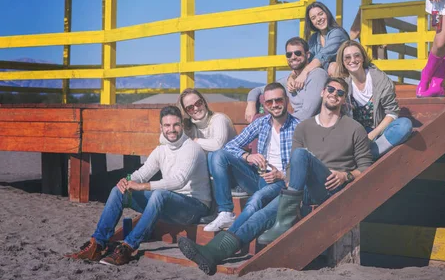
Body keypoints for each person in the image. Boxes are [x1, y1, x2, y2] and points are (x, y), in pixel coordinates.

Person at [177, 78, 372, 275]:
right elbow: (292, 168)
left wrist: (346, 175)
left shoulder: (352, 128)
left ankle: (283, 219)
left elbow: (366, 168)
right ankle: (213, 253)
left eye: (340, 92)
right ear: (322, 92)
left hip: (326, 187)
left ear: (344, 98)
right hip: (296, 189)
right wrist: (250, 157)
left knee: (264, 193)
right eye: (330, 89)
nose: (334, 94)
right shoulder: (306, 127)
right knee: (261, 214)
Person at [65, 106, 211, 266]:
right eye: (167, 126)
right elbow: (142, 173)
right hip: (168, 204)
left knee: (158, 194)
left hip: (194, 208)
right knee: (118, 191)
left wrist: (143, 186)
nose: (172, 129)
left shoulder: (192, 148)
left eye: (176, 125)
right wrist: (126, 180)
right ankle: (98, 244)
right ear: (161, 127)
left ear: (182, 126)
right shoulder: (161, 150)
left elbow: (179, 180)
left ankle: (128, 247)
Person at [202, 83, 299, 232]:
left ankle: (230, 237)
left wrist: (282, 175)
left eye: (278, 100)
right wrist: (247, 156)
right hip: (258, 176)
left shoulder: (298, 127)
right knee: (218, 156)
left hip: (281, 181)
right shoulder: (261, 123)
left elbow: (305, 164)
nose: (274, 105)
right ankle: (226, 212)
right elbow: (230, 146)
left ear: (286, 100)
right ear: (265, 105)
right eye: (269, 102)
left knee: (256, 200)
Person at [336, 40, 413, 158]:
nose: (352, 60)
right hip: (356, 137)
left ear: (363, 57)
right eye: (347, 57)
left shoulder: (380, 79)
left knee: (404, 125)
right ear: (342, 61)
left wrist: (372, 135)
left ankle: (369, 155)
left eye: (357, 55)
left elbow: (392, 112)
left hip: (380, 132)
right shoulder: (343, 84)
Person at [245, 37, 327, 123]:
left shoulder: (317, 75)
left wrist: (276, 123)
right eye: (289, 54)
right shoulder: (288, 81)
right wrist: (251, 105)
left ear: (307, 55)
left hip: (312, 126)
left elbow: (307, 114)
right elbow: (257, 90)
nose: (293, 57)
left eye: (298, 53)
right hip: (292, 124)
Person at [288, 2, 349, 95]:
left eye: (321, 14)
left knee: (333, 67)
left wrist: (304, 73)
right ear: (311, 22)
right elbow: (306, 60)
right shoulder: (313, 38)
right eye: (313, 18)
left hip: (346, 76)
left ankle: (342, 101)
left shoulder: (337, 33)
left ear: (327, 14)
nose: (319, 19)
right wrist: (292, 76)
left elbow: (323, 56)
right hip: (324, 80)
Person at [179, 88, 237, 161]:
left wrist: (194, 140)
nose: (196, 108)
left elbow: (218, 145)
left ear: (204, 102)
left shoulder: (219, 119)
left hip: (231, 165)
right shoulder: (188, 126)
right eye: (190, 107)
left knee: (216, 156)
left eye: (198, 103)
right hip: (205, 167)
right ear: (186, 111)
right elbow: (166, 139)